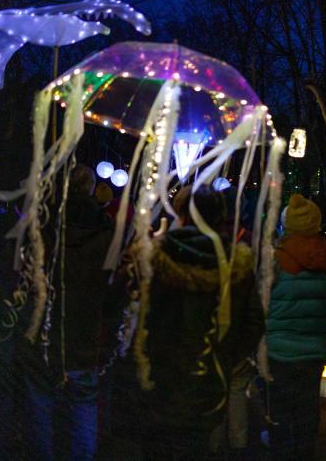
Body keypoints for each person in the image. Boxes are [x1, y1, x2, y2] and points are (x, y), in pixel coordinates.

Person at [135, 185, 264, 460]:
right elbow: (254, 322)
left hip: (162, 377)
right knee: (196, 446)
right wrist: (225, 353)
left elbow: (141, 315)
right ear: (220, 216)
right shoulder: (236, 262)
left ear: (182, 213)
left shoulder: (159, 255)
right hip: (210, 378)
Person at [19, 164, 114, 461]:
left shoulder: (42, 226)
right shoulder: (105, 231)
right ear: (90, 189)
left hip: (45, 333)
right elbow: (112, 284)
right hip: (84, 333)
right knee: (83, 407)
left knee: (41, 409)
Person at [265, 194, 326, 460]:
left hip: (277, 349)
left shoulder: (275, 259)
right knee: (307, 411)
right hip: (313, 350)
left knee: (280, 412)